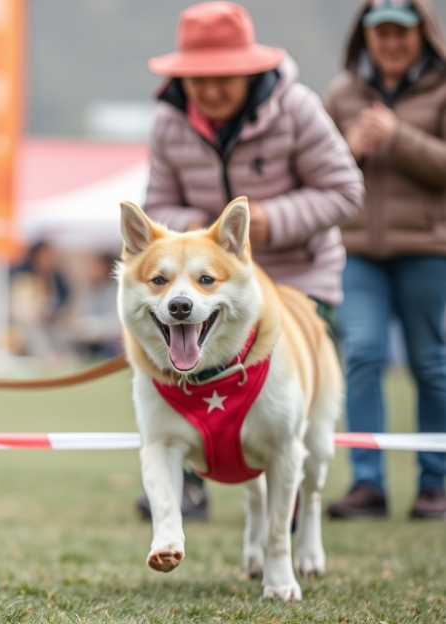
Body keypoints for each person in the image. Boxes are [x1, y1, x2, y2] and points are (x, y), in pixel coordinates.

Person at [136, 1, 364, 521]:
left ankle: (291, 485)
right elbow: (158, 208)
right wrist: (208, 233)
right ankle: (184, 480)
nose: (210, 92)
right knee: (178, 362)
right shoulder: (168, 124)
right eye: (198, 80)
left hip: (297, 277)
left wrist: (271, 219)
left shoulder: (299, 108)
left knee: (282, 398)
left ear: (251, 70)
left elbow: (346, 190)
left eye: (223, 79)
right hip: (207, 283)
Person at [325, 0, 446, 520]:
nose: (392, 42)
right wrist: (349, 147)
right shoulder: (341, 93)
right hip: (358, 253)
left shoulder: (441, 90)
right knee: (362, 355)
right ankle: (367, 484)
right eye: (382, 33)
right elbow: (320, 172)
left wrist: (398, 138)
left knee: (431, 363)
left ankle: (435, 485)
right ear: (365, 37)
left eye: (403, 32)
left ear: (423, 34)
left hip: (427, 249)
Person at [9, 240, 73, 362]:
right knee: (32, 327)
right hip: (28, 322)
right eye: (45, 256)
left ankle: (63, 352)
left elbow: (61, 302)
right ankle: (46, 355)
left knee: (64, 327)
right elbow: (19, 311)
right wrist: (39, 312)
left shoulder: (54, 279)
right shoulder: (24, 277)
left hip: (51, 321)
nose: (49, 260)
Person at [68, 253, 122, 359]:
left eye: (99, 267)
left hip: (110, 342)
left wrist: (93, 326)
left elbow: (115, 324)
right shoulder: (90, 290)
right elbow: (81, 314)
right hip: (87, 342)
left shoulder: (116, 290)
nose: (94, 270)